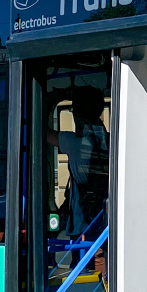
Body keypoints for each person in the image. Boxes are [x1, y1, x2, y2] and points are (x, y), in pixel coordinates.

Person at [47, 87, 110, 238]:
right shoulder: (109, 140)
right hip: (105, 224)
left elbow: (38, 130)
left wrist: (54, 98)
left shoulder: (75, 142)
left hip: (83, 227)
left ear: (77, 114)